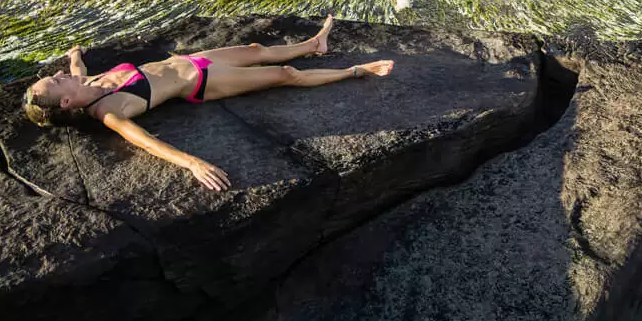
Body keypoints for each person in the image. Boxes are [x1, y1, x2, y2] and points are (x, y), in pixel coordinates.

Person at [21, 15, 392, 191]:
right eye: (55, 82)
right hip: (203, 81)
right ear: (66, 101)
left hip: (195, 58)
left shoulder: (84, 80)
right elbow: (147, 143)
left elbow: (76, 65)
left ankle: (316, 45)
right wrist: (193, 163)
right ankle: (357, 70)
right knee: (285, 75)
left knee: (256, 49)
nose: (60, 74)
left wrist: (74, 52)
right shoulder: (108, 111)